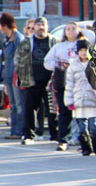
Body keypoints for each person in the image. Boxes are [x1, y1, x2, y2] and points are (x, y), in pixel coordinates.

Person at [15, 16, 58, 144]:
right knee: (30, 109)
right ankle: (28, 135)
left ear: (47, 26)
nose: (41, 27)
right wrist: (21, 77)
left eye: (43, 25)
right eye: (38, 25)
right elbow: (18, 60)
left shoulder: (53, 41)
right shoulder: (27, 41)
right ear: (34, 27)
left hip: (50, 81)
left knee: (52, 109)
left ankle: (55, 135)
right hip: (32, 79)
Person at [44, 21, 84, 151]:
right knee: (64, 111)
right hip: (63, 82)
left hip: (80, 82)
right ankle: (63, 140)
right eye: (68, 29)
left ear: (78, 30)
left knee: (82, 111)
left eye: (73, 28)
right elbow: (47, 62)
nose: (71, 31)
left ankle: (82, 138)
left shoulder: (83, 44)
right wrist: (59, 65)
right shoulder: (59, 47)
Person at [65, 39, 96, 155]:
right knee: (81, 126)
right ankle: (86, 147)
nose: (83, 53)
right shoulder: (73, 66)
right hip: (78, 99)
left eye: (85, 50)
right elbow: (69, 84)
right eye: (81, 50)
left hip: (92, 99)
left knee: (93, 125)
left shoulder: (94, 64)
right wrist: (69, 101)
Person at [1, 13, 24, 139]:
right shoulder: (6, 40)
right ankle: (14, 131)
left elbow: (21, 60)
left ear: (5, 25)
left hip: (17, 77)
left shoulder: (18, 39)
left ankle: (19, 131)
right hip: (8, 77)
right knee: (13, 105)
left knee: (19, 105)